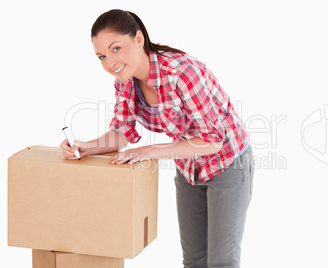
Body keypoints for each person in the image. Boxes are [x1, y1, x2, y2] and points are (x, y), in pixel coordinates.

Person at [60, 9, 254, 268]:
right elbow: (122, 133)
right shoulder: (124, 81)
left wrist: (148, 151)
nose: (109, 63)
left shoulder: (182, 73)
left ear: (138, 39)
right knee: (193, 259)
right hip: (188, 166)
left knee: (221, 262)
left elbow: (212, 140)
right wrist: (87, 147)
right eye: (102, 56)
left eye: (116, 48)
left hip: (227, 162)